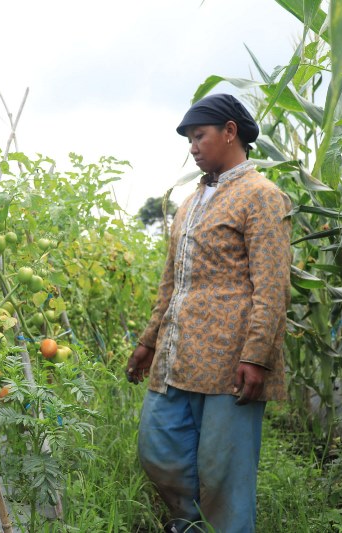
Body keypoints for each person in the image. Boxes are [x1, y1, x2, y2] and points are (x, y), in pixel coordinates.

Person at [125, 93, 291, 533]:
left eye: (199, 136)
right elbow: (171, 281)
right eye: (190, 139)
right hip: (177, 354)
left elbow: (272, 285)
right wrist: (148, 341)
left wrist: (257, 356)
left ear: (230, 132)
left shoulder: (261, 197)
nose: (193, 147)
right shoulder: (190, 202)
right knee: (157, 448)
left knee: (224, 475)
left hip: (230, 361)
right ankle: (192, 524)